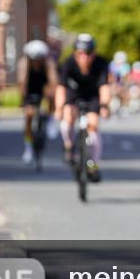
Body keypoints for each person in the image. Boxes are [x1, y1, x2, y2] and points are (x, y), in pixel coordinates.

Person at [55, 34, 111, 181]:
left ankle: (94, 166)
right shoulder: (68, 63)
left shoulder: (101, 63)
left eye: (88, 53)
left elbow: (104, 86)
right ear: (75, 53)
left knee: (93, 127)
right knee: (67, 120)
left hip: (92, 96)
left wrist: (105, 105)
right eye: (80, 53)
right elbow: (61, 87)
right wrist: (59, 108)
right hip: (73, 95)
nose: (84, 57)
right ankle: (69, 147)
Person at [17, 40, 58, 163]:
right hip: (30, 89)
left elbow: (53, 81)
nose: (36, 62)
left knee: (51, 96)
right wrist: (24, 100)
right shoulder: (24, 63)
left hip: (42, 87)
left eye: (39, 58)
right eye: (34, 59)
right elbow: (22, 82)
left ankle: (51, 119)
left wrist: (50, 95)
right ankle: (28, 149)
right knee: (29, 116)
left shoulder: (48, 64)